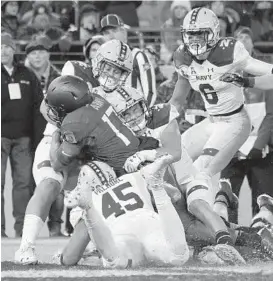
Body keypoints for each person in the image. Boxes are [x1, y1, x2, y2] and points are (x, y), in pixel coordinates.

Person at [169, 7, 273, 237]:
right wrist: (160, 121)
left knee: (200, 171)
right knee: (173, 159)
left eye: (200, 34)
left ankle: (216, 230)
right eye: (191, 34)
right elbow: (177, 100)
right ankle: (191, 224)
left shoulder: (230, 51)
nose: (195, 41)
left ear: (214, 33)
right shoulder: (182, 56)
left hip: (235, 122)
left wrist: (247, 82)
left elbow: (271, 75)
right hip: (210, 122)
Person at [58, 154, 190, 267]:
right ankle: (157, 187)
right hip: (148, 222)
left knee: (116, 262)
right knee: (177, 257)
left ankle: (89, 210)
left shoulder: (92, 196)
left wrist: (62, 258)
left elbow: (70, 257)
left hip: (122, 235)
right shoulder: (133, 178)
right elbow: (176, 195)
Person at [1, 33, 45, 237]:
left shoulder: (27, 74)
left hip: (24, 138)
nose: (4, 50)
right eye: (0, 47)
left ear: (13, 50)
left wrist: (37, 139)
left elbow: (38, 107)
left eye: (8, 46)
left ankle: (21, 230)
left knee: (23, 185)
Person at [100, 14, 157, 107]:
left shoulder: (138, 56)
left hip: (137, 114)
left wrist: (144, 114)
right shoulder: (102, 62)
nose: (111, 36)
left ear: (123, 32)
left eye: (114, 31)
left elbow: (150, 91)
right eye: (106, 33)